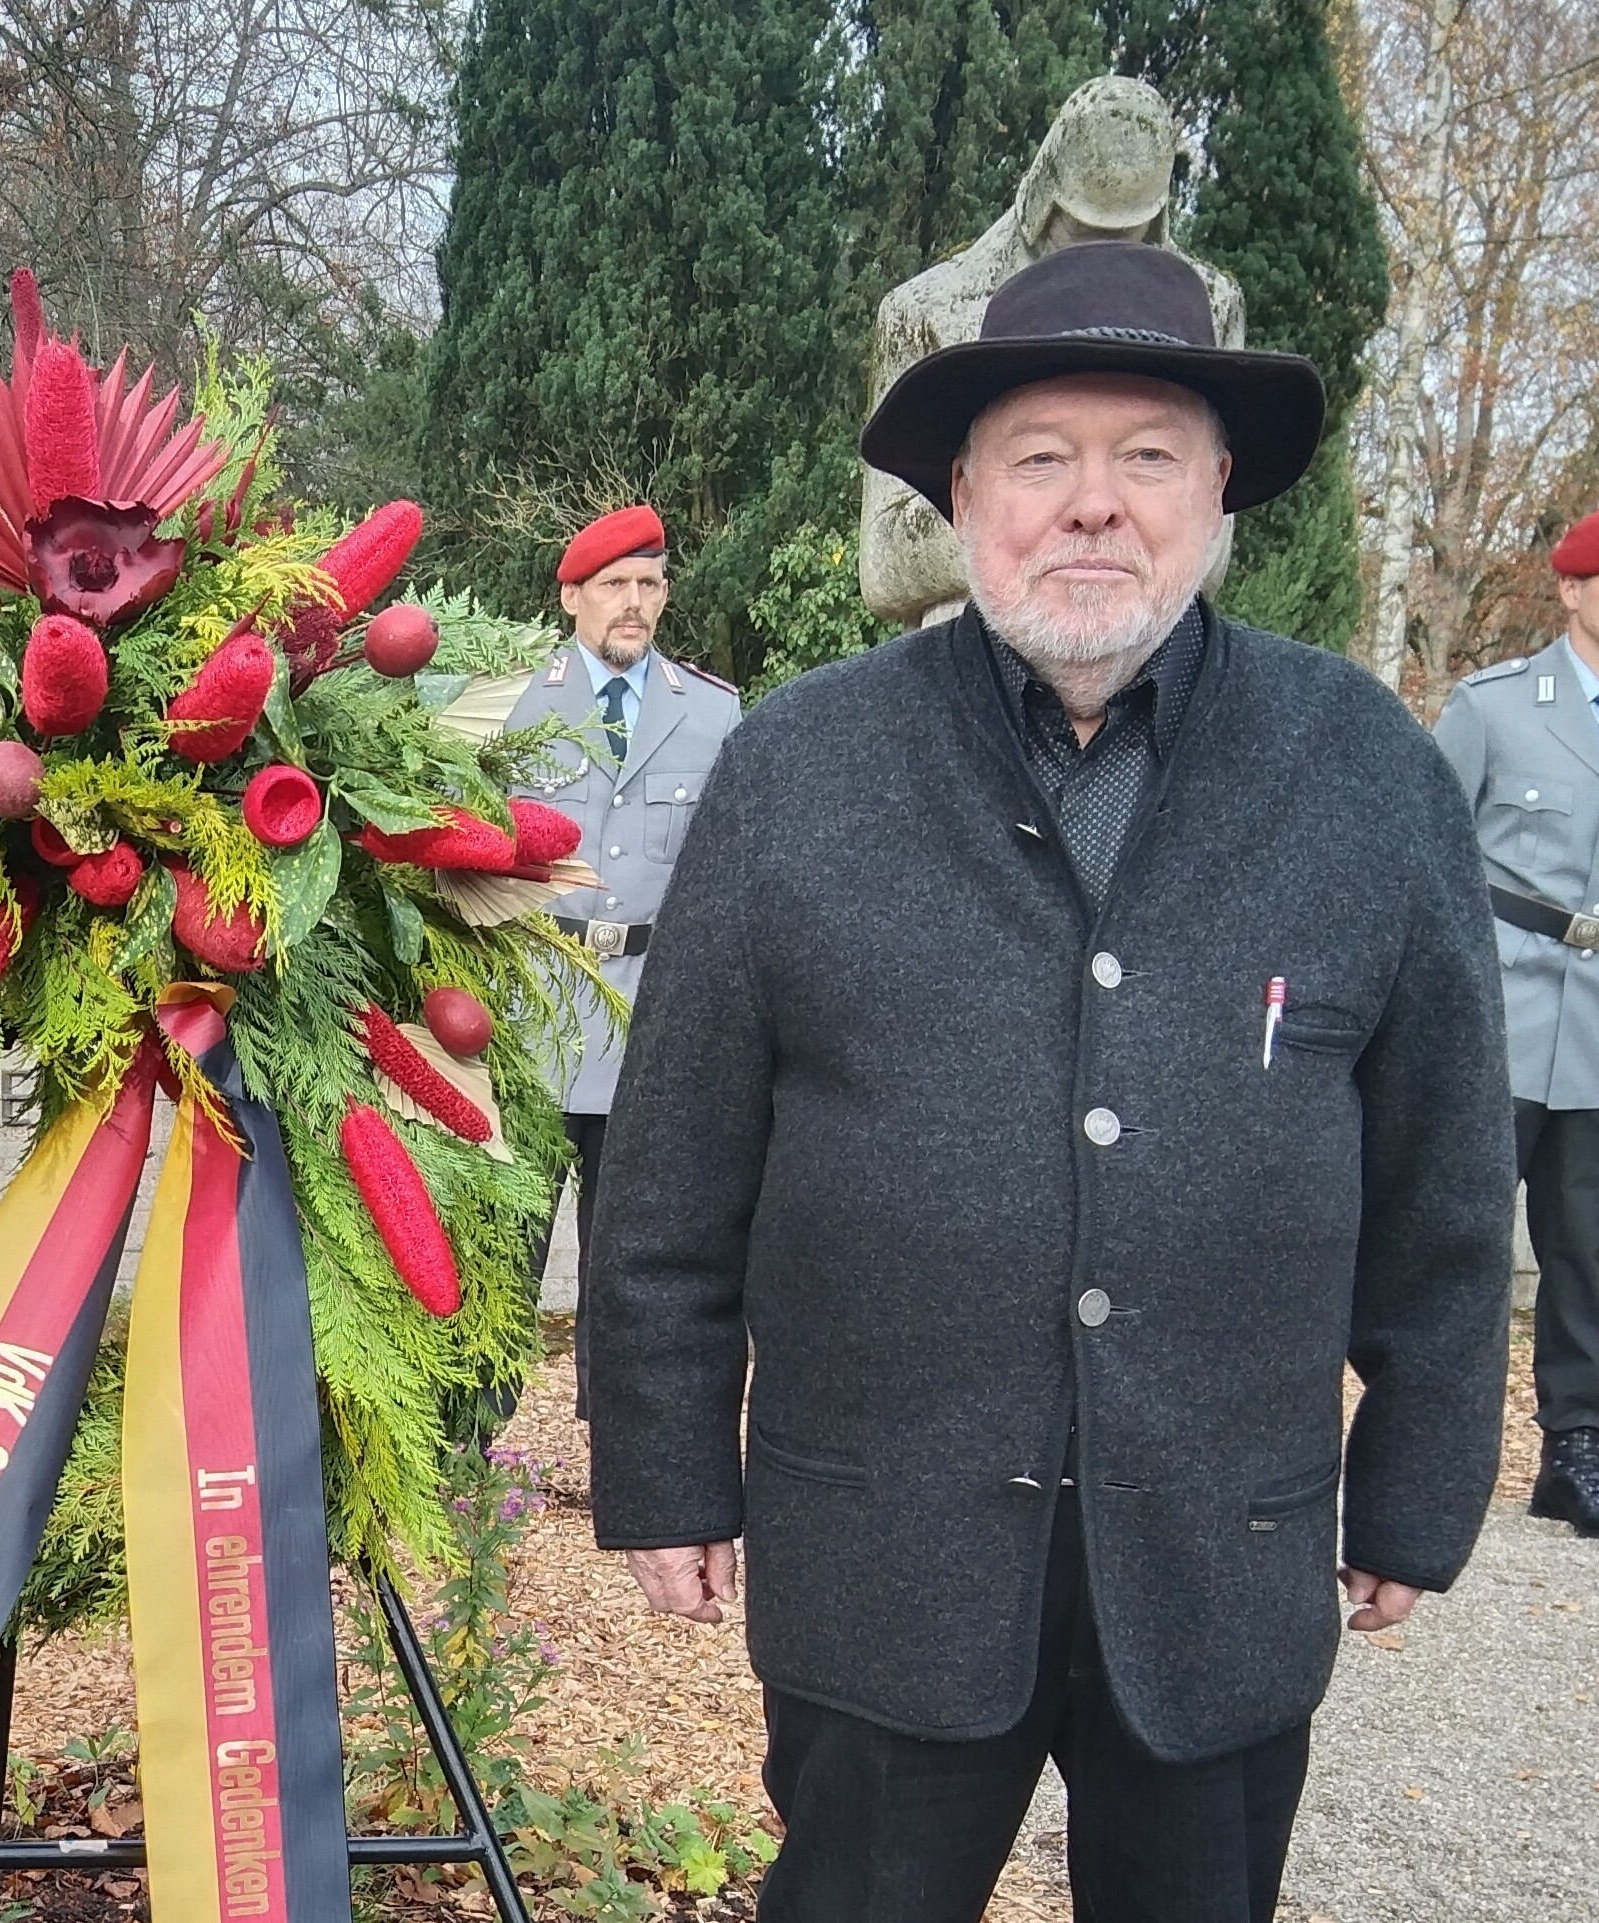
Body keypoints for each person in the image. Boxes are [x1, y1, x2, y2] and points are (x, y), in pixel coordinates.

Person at [583, 241, 1511, 1923]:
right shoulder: (798, 763)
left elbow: (1445, 1172)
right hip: (880, 1550)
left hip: (1222, 1558)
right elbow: (672, 1166)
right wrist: (660, 1462)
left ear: (1220, 489)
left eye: (1147, 453)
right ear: (961, 493)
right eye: (1041, 456)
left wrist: (1423, 1476)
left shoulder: (1366, 769)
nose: (1095, 503)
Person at [502, 505, 740, 1411]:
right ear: (572, 598)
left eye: (648, 584)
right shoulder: (515, 707)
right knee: (507, 1240)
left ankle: (622, 1444)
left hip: (648, 1014)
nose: (632, 604)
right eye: (613, 587)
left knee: (630, 1252)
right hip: (536, 1012)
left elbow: (728, 879)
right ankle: (465, 1446)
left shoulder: (713, 716)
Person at [859, 76, 1244, 632]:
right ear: (1041, 202)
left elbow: (1207, 553)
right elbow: (884, 567)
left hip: (1150, 647)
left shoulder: (1210, 306)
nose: (1094, 505)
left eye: (1151, 454)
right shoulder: (931, 308)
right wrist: (1022, 530)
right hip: (965, 652)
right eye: (1080, 229)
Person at [1433, 509, 1599, 1537]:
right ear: (1573, 592)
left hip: (1594, 1042)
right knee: (1451, 1244)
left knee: (1585, 1252)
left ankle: (1574, 1449)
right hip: (1492, 1014)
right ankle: (1433, 1451)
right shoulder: (1492, 710)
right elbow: (1423, 860)